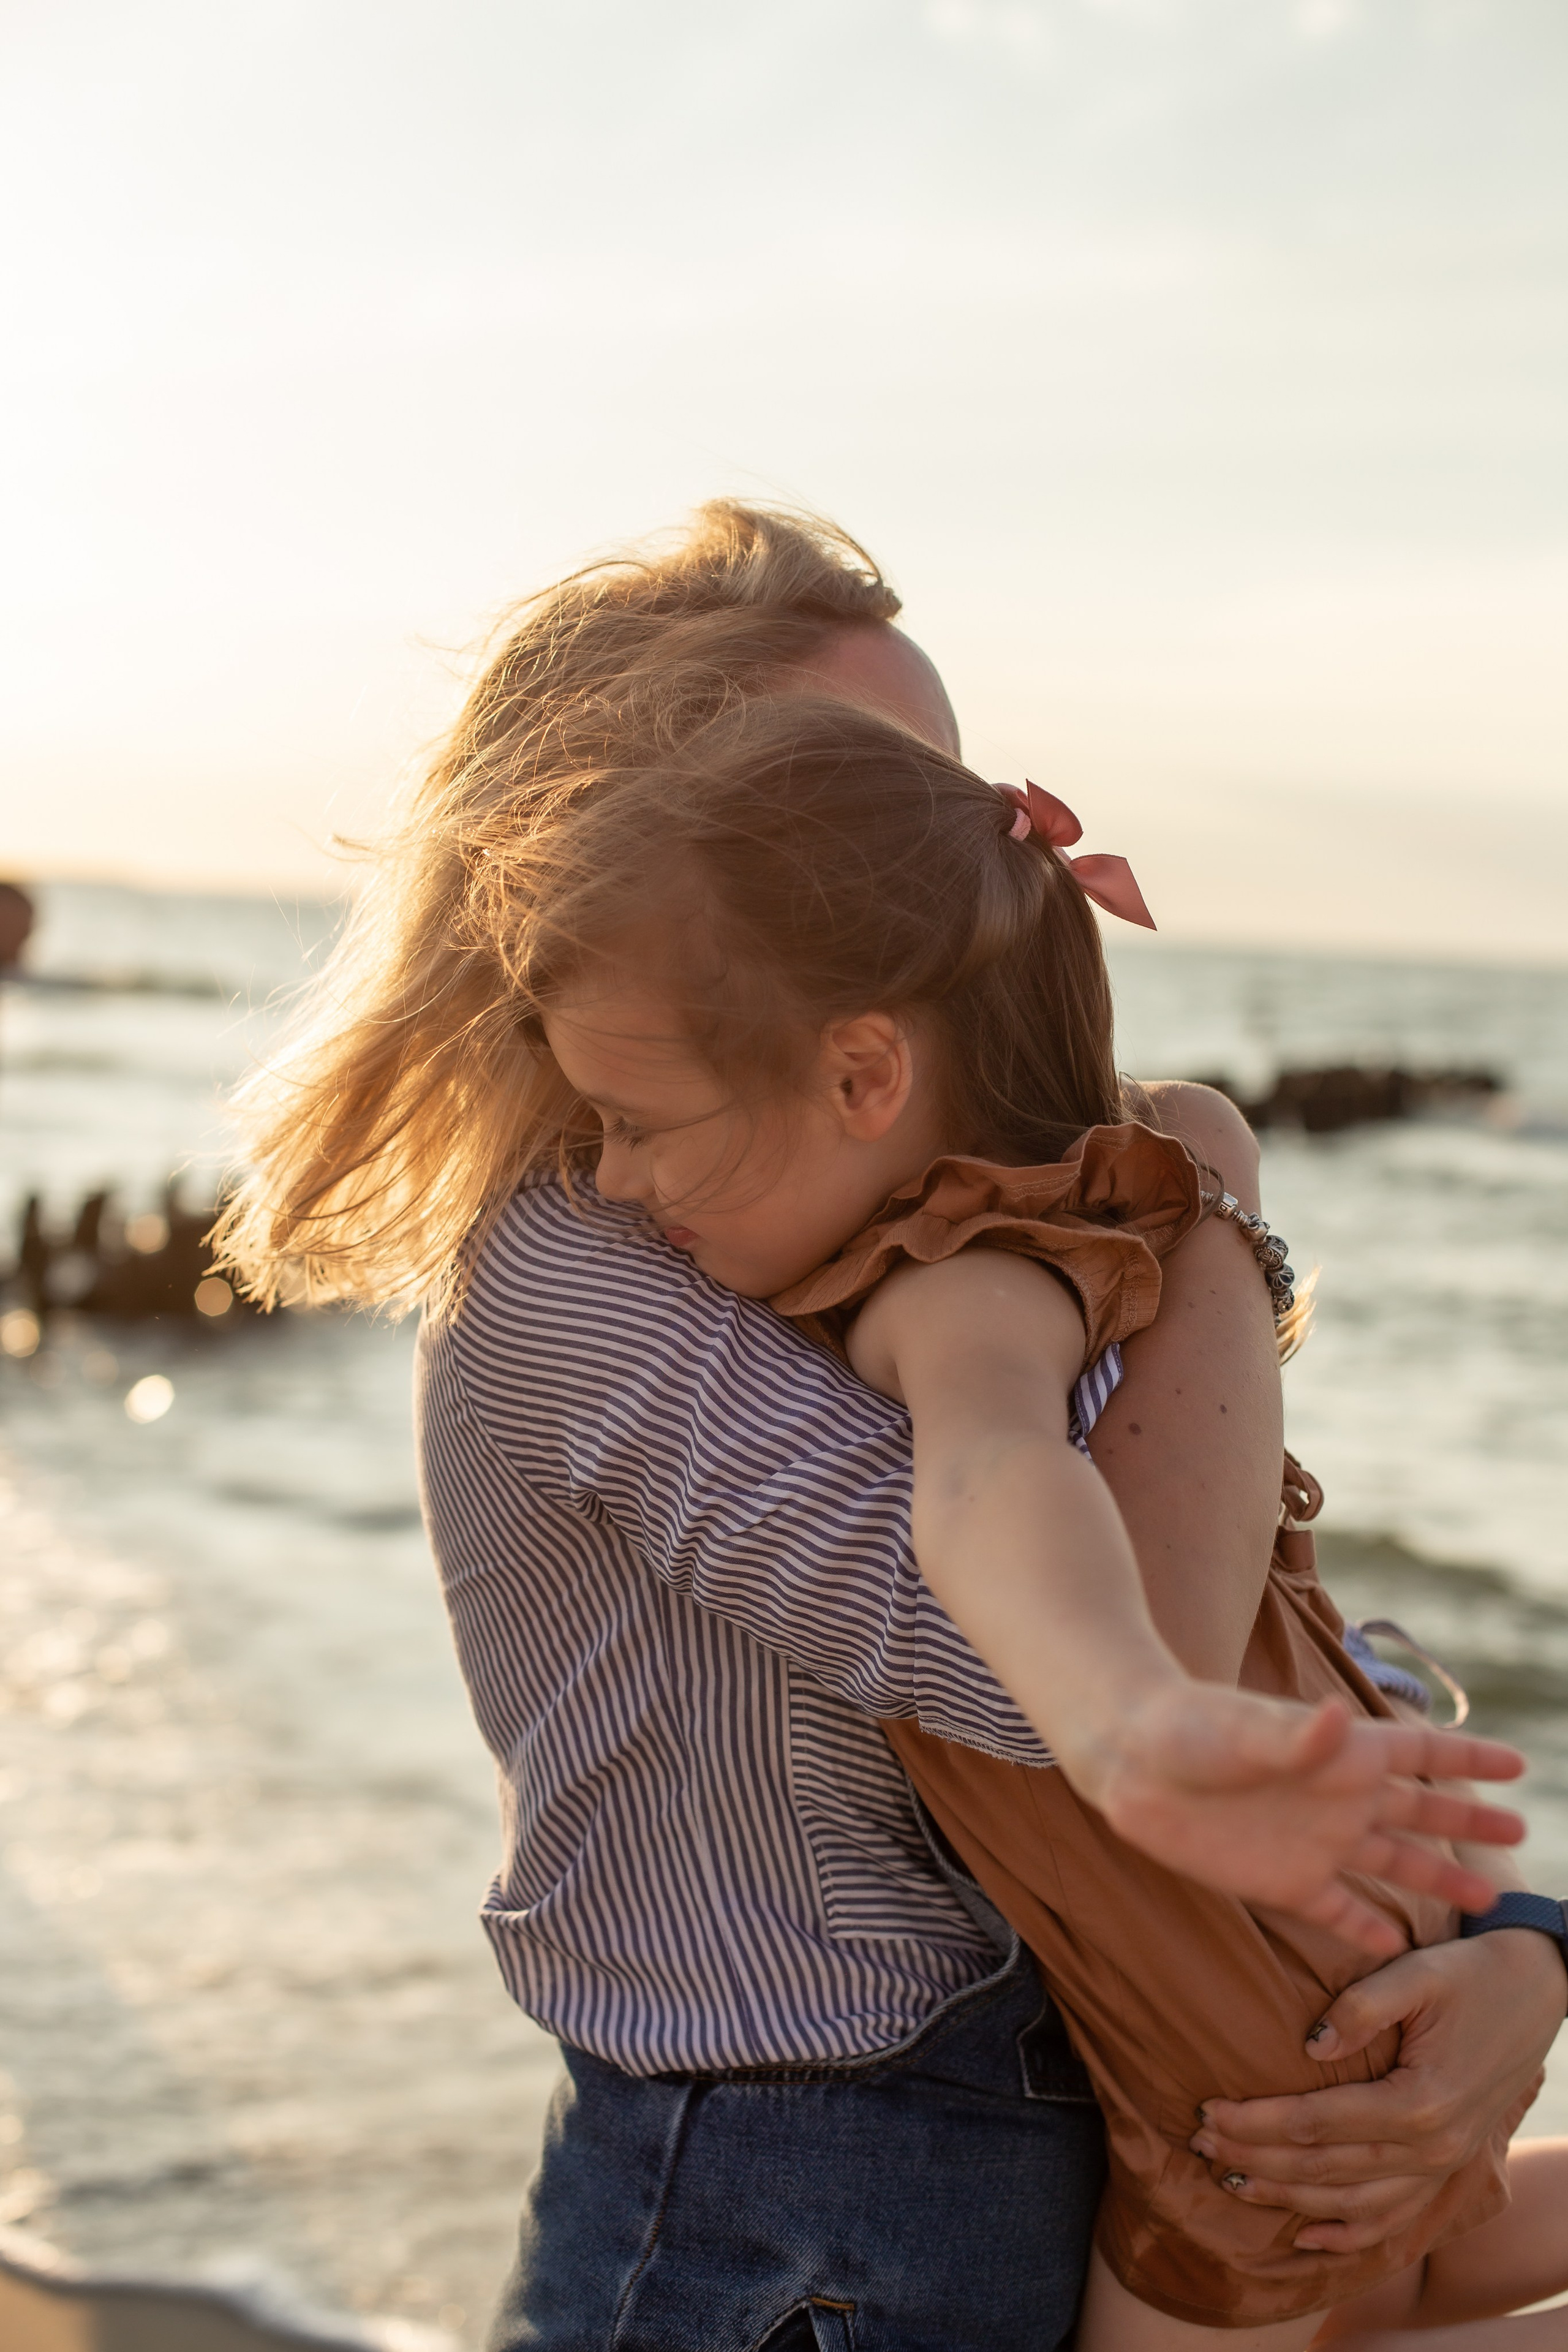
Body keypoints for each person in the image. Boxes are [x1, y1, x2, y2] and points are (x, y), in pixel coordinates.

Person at [219, 504, 1567, 2352]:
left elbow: (1295, 1644)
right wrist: (1216, 1202)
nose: (927, 849)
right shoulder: (600, 1263)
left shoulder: (876, 1222)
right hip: (796, 2194)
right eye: (850, 779)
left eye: (932, 781)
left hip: (994, 2137)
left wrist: (1519, 1947)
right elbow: (1106, 1679)